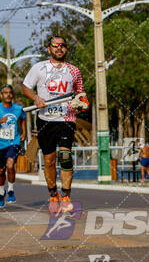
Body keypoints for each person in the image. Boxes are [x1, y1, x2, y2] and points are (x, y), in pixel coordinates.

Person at [22, 36, 89, 214]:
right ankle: (53, 195)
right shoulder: (39, 68)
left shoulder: (74, 71)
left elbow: (81, 94)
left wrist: (83, 103)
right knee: (49, 161)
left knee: (65, 156)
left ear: (66, 49)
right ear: (50, 49)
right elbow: (25, 87)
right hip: (45, 120)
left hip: (67, 119)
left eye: (62, 46)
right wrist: (36, 98)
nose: (59, 48)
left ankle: (66, 195)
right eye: (55, 46)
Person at [0, 84, 26, 206]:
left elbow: (23, 118)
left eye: (10, 92)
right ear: (1, 95)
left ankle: (10, 190)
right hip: (0, 144)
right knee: (0, 171)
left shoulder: (18, 109)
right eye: (5, 92)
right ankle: (1, 193)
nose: (8, 95)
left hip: (13, 142)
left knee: (10, 165)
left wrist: (24, 132)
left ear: (13, 95)